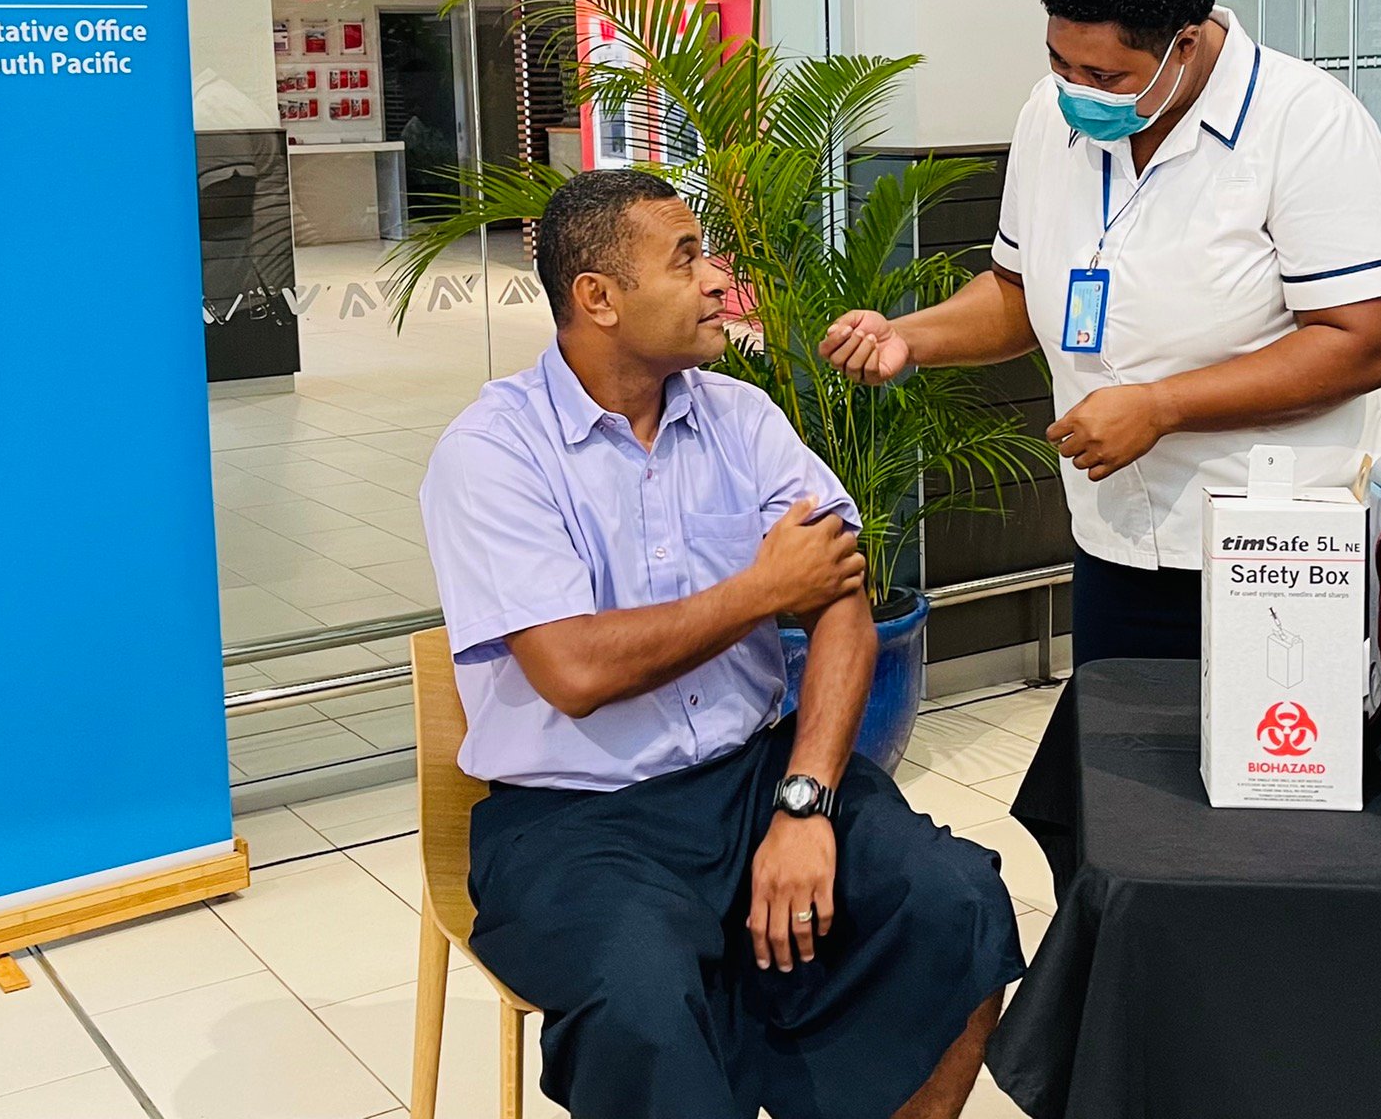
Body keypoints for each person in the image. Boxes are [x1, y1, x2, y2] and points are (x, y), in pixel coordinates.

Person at [419, 168, 1024, 1119]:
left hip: (754, 776)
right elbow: (573, 670)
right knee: (642, 1003)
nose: (718, 281)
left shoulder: (742, 420)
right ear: (599, 298)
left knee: (954, 901)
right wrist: (762, 591)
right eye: (687, 260)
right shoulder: (493, 453)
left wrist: (804, 802)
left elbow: (841, 606)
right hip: (578, 821)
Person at [818, 0, 1381, 663]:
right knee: (1118, 732)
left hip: (1285, 543)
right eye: (1060, 64)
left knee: (1275, 733)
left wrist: (1161, 406)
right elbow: (1018, 294)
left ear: (1185, 44)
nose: (1077, 92)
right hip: (1115, 533)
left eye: (1106, 77)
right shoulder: (1049, 116)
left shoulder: (1306, 122)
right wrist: (908, 336)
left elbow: (1363, 343)